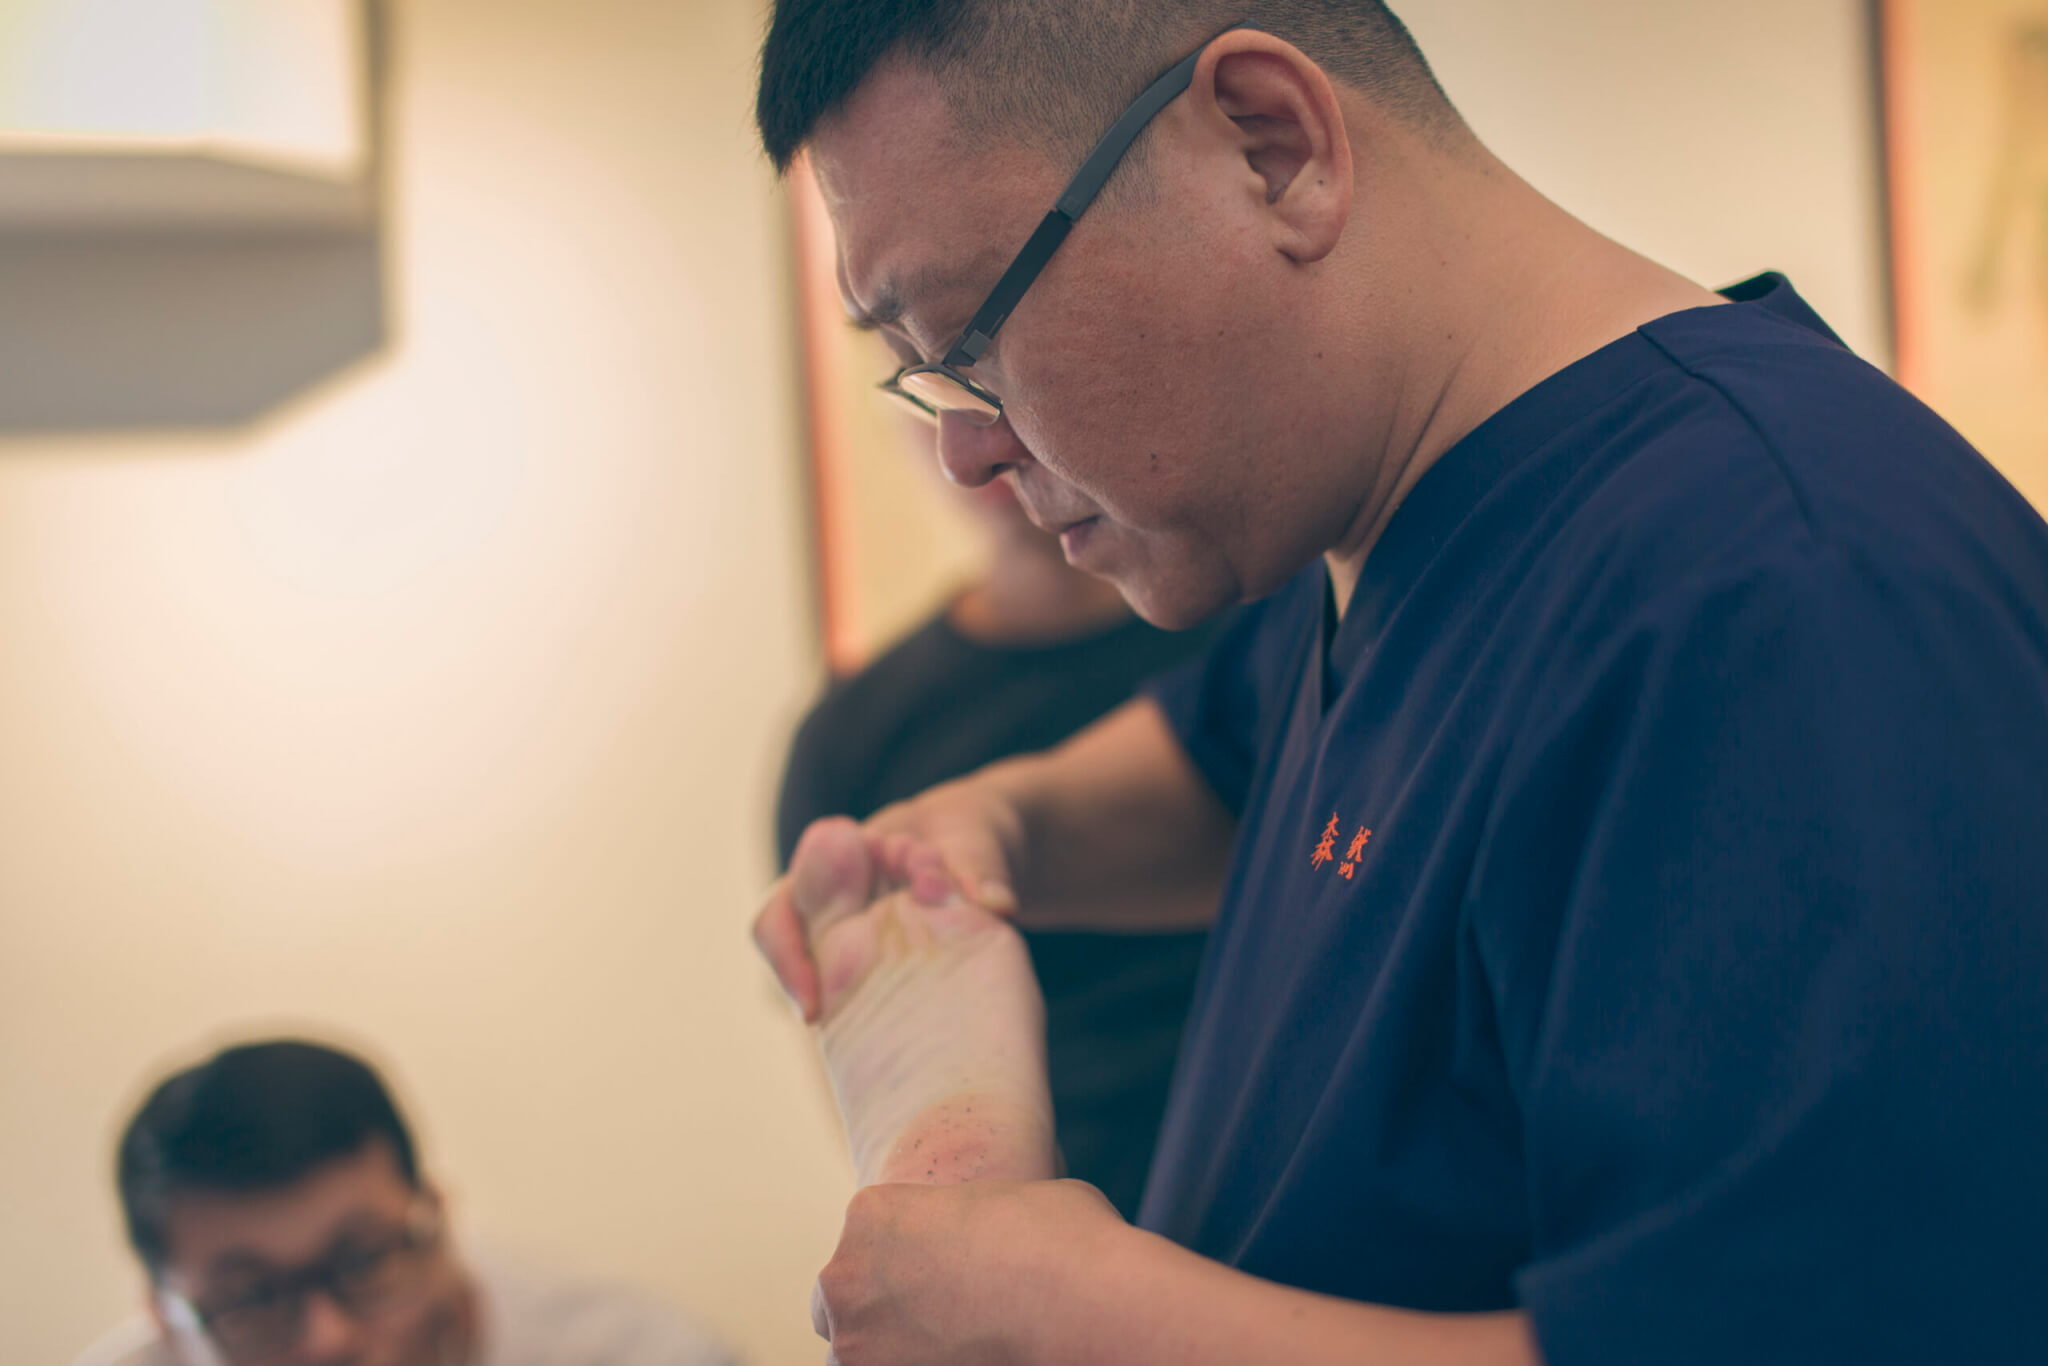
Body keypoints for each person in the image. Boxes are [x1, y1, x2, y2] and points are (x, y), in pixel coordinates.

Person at [746, 3, 2048, 1364]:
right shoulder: (1385, 529)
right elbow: (1236, 760)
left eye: (971, 338)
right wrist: (988, 829)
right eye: (922, 377)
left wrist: (1067, 1314)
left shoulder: (1772, 593)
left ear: (1272, 146)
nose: (963, 453)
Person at [776, 419, 1221, 1219]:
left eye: (979, 366)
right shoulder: (852, 735)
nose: (969, 439)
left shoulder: (1246, 636)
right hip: (1039, 1222)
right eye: (922, 388)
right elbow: (864, 1082)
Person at [88, 1038, 738, 1366]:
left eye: (365, 1260)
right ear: (164, 1321)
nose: (328, 1337)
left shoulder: (634, 1354)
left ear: (439, 1224)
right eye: (252, 1298)